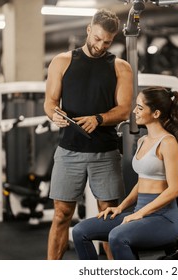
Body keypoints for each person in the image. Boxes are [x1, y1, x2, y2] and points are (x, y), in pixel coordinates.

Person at [43, 9, 133, 260]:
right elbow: (50, 102)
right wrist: (55, 114)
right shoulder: (62, 61)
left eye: (107, 41)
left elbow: (124, 109)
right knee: (61, 214)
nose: (100, 45)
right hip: (68, 151)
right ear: (88, 30)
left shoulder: (120, 67)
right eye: (97, 38)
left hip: (105, 153)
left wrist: (99, 119)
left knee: (108, 215)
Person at [72, 86, 178, 260]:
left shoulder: (168, 142)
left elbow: (174, 189)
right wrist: (120, 207)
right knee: (80, 231)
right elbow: (142, 182)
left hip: (164, 218)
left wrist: (140, 213)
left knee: (117, 237)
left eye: (140, 107)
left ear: (155, 113)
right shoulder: (142, 140)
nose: (134, 111)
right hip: (141, 211)